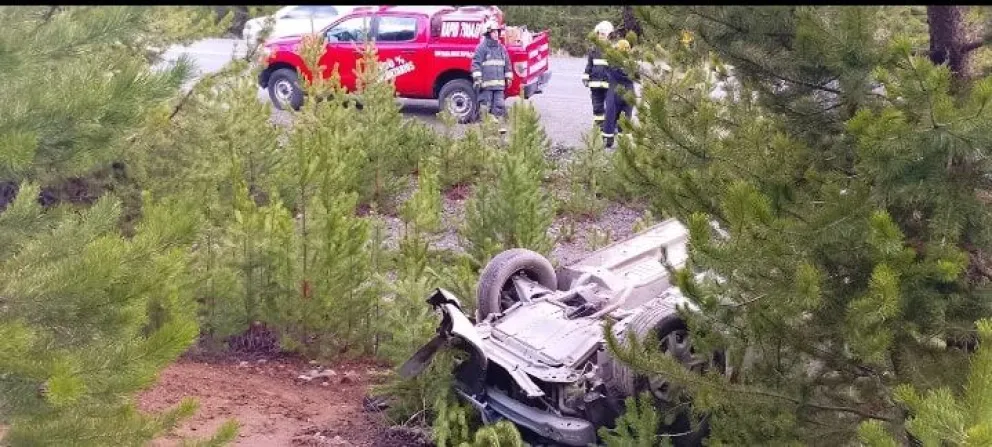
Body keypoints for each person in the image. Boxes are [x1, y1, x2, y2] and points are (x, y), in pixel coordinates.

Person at [472, 19, 513, 133]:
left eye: (497, 32)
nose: (496, 34)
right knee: (485, 106)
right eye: (494, 32)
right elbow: (476, 64)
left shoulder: (501, 48)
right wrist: (477, 78)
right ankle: (484, 128)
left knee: (499, 106)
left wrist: (508, 76)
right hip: (486, 86)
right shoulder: (482, 48)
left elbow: (507, 63)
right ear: (488, 33)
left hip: (499, 85)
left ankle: (497, 128)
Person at [602, 38, 635, 149]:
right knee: (626, 116)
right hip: (629, 91)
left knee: (610, 115)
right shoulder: (632, 62)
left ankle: (608, 139)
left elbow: (606, 69)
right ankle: (623, 141)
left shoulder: (612, 61)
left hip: (614, 90)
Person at [583, 21, 614, 132]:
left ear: (609, 35)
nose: (601, 36)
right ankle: (599, 126)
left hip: (608, 85)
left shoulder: (612, 50)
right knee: (597, 107)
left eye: (603, 34)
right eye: (600, 33)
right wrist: (585, 77)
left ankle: (610, 127)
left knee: (610, 107)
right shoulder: (593, 50)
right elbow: (589, 65)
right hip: (595, 85)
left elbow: (615, 67)